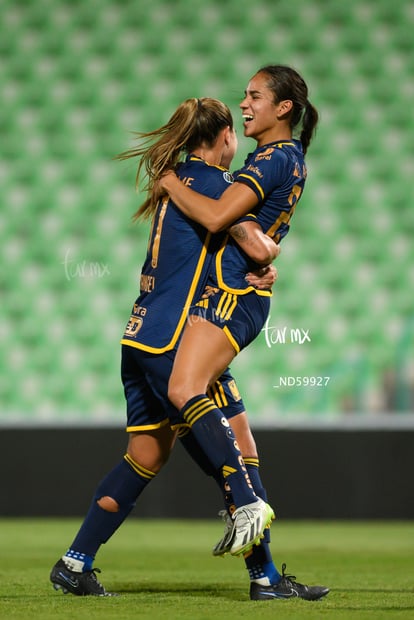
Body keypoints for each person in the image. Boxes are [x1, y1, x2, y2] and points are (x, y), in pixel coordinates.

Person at [50, 97, 279, 598]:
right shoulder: (220, 186)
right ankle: (265, 575)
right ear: (224, 138)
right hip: (179, 338)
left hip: (140, 337)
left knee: (145, 457)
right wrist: (266, 258)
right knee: (238, 458)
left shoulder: (178, 182)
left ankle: (74, 563)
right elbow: (256, 243)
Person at [159, 64, 329, 601]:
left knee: (182, 392)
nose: (246, 104)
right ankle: (267, 579)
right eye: (245, 96)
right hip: (245, 296)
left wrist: (168, 182)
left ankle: (244, 501)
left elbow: (217, 217)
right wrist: (259, 244)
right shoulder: (280, 158)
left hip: (230, 300)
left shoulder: (276, 157)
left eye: (256, 96)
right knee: (242, 441)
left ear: (284, 108)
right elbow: (250, 232)